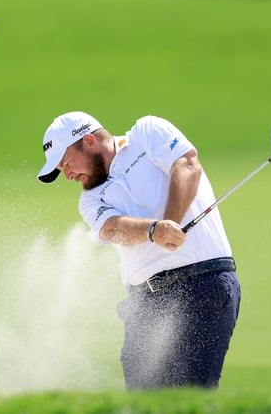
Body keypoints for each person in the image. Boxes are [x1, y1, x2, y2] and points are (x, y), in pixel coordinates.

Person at [36, 111, 241, 390]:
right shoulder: (90, 199)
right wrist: (155, 230)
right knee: (144, 401)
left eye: (67, 163)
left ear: (89, 142)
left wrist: (170, 221)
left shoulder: (147, 133)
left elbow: (187, 165)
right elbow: (111, 228)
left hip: (202, 285)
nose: (68, 175)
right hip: (145, 304)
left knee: (188, 397)